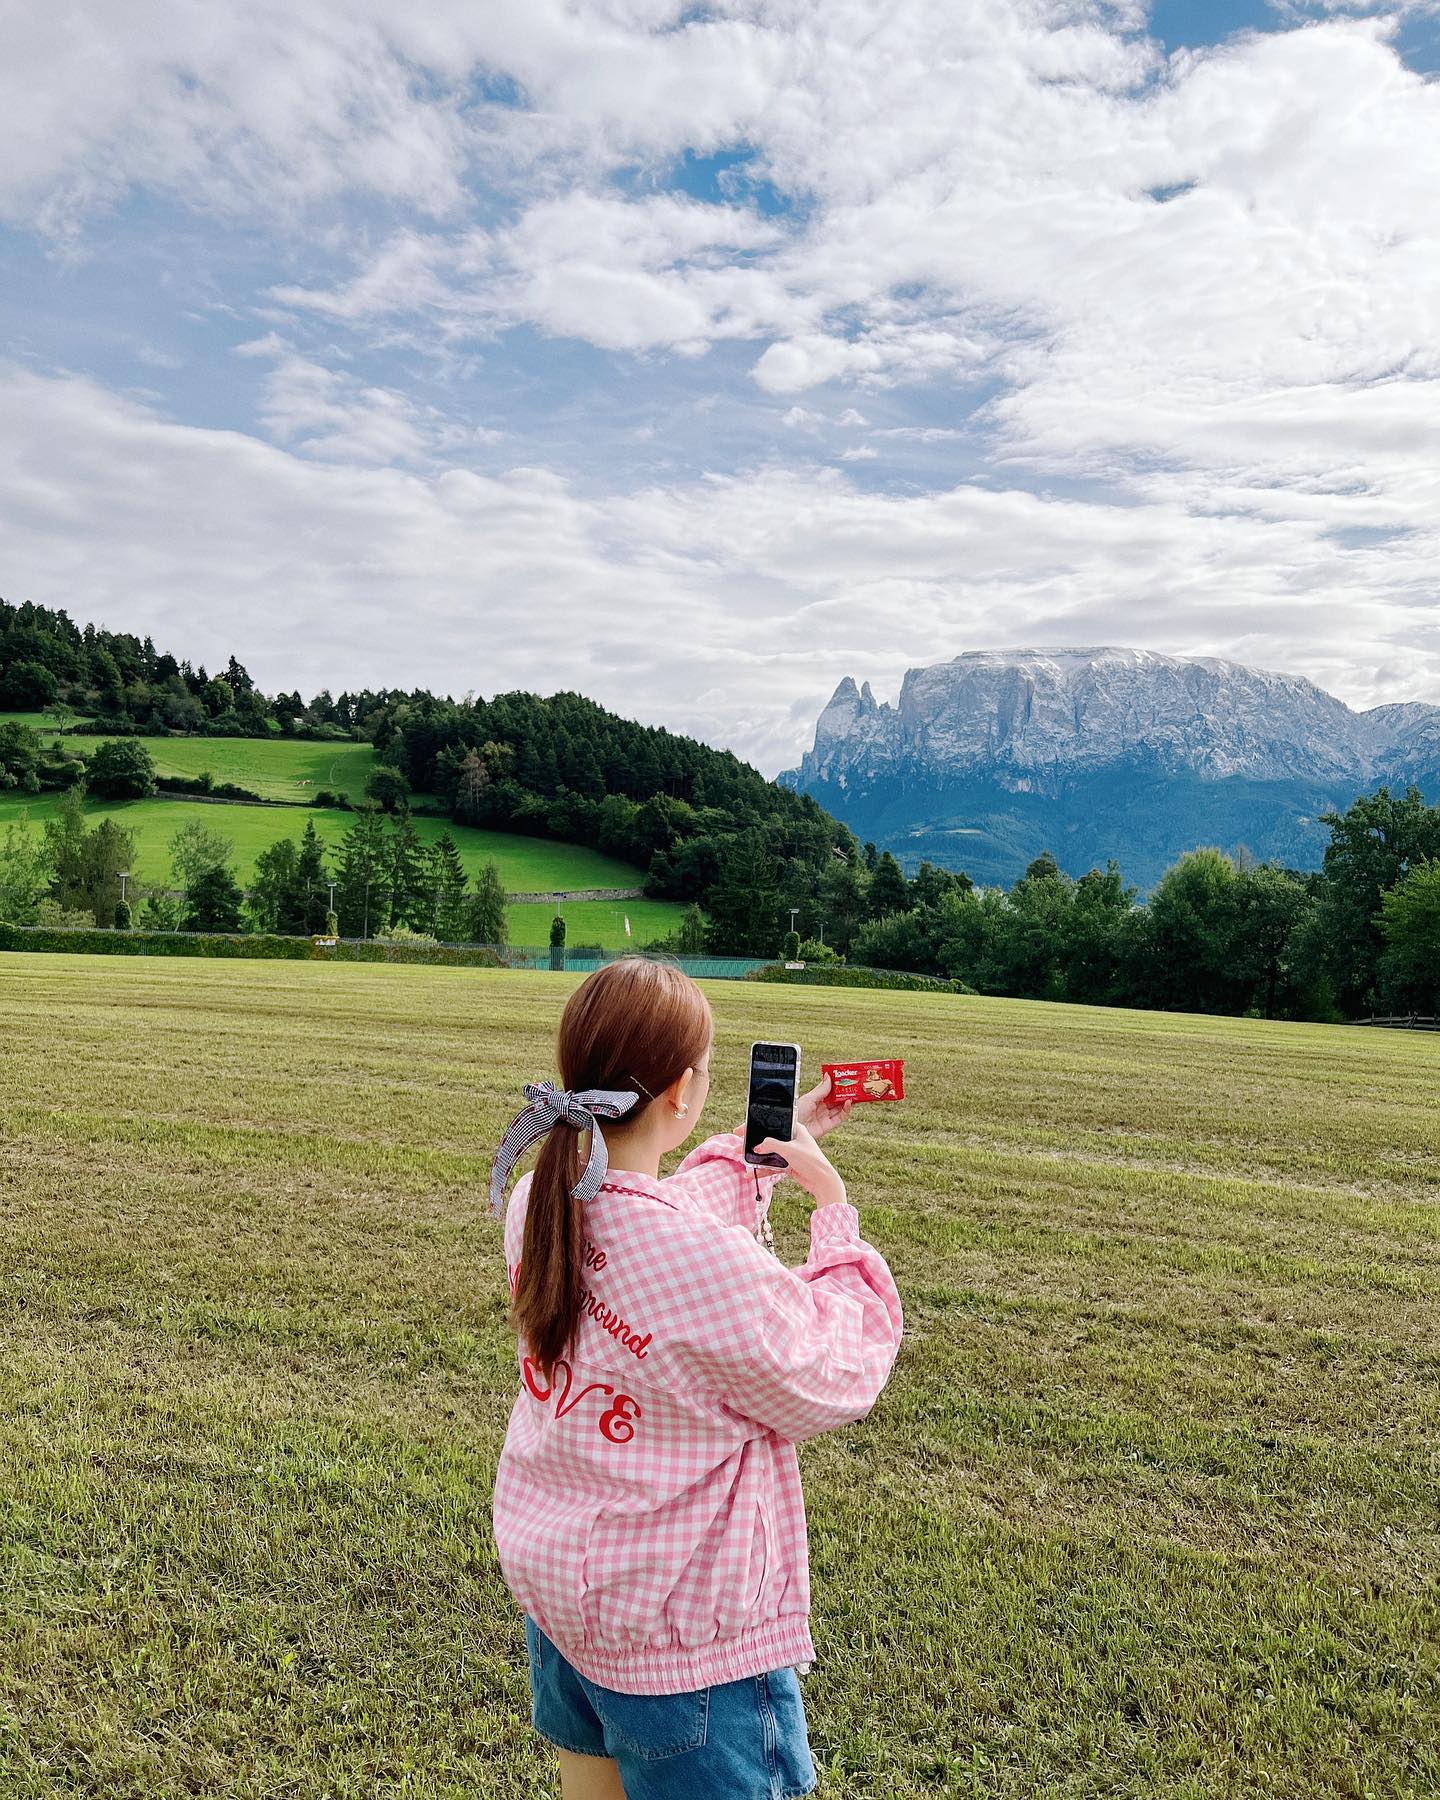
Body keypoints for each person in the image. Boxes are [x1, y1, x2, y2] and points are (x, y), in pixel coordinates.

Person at [488, 957, 904, 1800]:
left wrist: (775, 1150)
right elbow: (837, 1369)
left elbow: (660, 1214)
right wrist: (833, 1207)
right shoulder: (692, 1262)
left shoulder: (540, 1197)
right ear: (682, 1091)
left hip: (566, 1607)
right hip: (678, 1645)